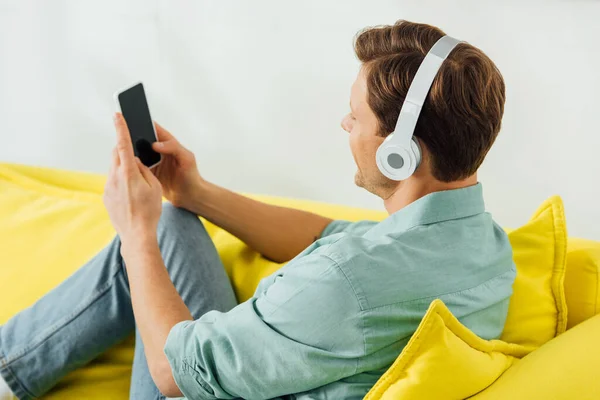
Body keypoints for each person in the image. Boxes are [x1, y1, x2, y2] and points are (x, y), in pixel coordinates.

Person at [0, 20, 515, 400]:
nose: (344, 124)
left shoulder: (342, 284)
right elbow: (326, 234)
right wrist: (193, 192)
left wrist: (135, 230)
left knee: (152, 236)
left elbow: (173, 373)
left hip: (190, 380)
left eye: (356, 117)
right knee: (175, 223)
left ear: (400, 152)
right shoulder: (482, 244)